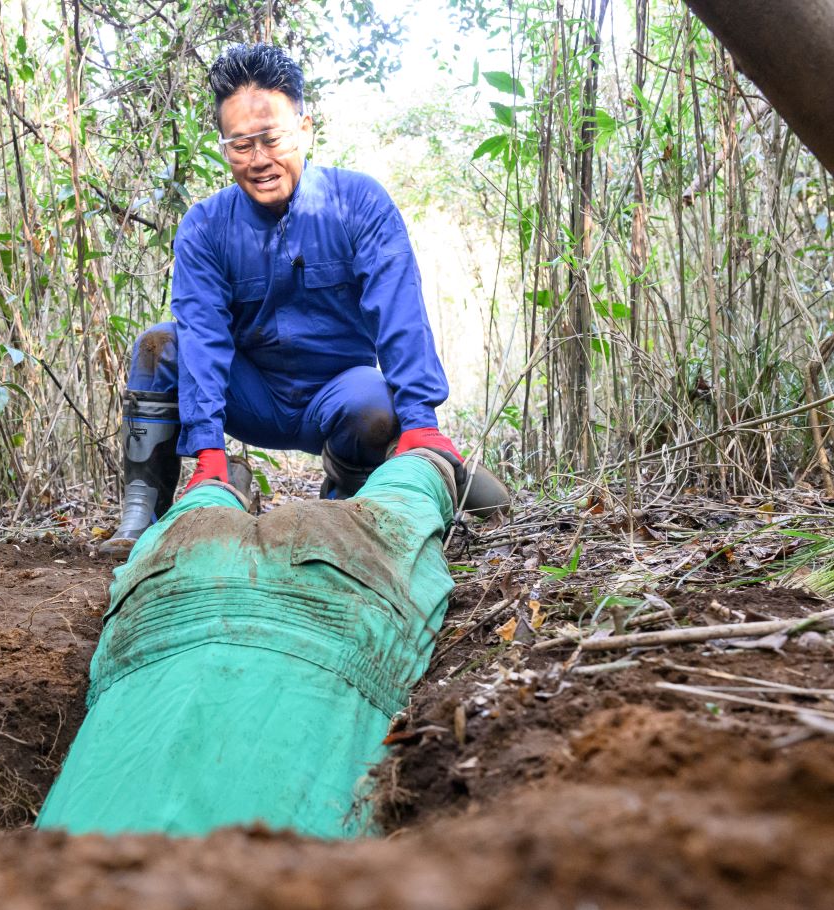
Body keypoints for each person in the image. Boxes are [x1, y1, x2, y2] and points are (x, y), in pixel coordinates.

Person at [105, 43, 504, 555]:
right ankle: (150, 512)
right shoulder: (205, 228)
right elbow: (202, 338)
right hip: (249, 395)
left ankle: (347, 483)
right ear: (224, 147)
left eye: (271, 139)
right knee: (160, 345)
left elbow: (399, 313)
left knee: (377, 406)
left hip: (338, 396)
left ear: (305, 128)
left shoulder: (358, 203)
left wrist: (421, 424)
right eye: (240, 145)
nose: (260, 160)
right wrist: (206, 451)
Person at [38, 447, 460, 837]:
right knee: (402, 494)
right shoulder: (42, 897)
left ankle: (221, 484)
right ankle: (216, 490)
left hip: (216, 585)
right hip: (193, 587)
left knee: (404, 497)